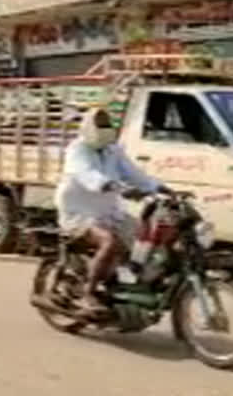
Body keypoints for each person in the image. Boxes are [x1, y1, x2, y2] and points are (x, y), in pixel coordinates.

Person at [54, 108, 168, 312]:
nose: (105, 129)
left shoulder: (113, 150)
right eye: (101, 124)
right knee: (109, 242)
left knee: (144, 236)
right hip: (79, 214)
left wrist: (159, 187)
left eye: (107, 124)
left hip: (108, 212)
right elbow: (87, 176)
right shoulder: (77, 150)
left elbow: (134, 174)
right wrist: (117, 187)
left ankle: (119, 281)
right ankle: (88, 293)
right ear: (89, 127)